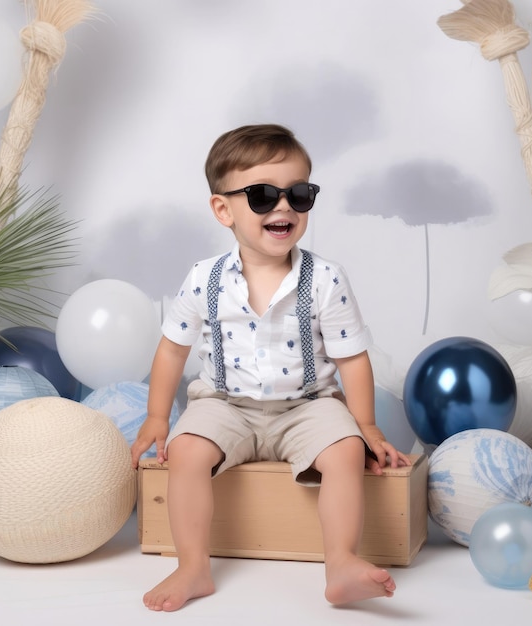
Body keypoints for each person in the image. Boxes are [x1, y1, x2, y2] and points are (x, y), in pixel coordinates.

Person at [130, 123, 411, 612]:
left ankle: (341, 562)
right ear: (224, 209)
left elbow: (351, 358)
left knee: (344, 451)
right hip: (224, 405)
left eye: (298, 194)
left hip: (308, 406)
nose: (283, 207)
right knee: (187, 452)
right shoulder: (205, 278)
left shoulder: (324, 278)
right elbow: (172, 349)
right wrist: (158, 417)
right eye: (262, 196)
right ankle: (193, 565)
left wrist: (364, 426)